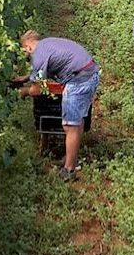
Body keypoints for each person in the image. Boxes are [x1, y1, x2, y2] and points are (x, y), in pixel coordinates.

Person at [12, 31, 100, 181]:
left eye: (25, 51)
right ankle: (70, 159)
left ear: (28, 47)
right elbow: (42, 71)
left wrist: (23, 92)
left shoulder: (38, 56)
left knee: (70, 126)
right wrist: (26, 78)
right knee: (77, 121)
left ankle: (69, 170)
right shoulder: (46, 45)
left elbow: (38, 89)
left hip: (79, 81)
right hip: (89, 73)